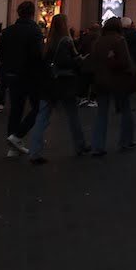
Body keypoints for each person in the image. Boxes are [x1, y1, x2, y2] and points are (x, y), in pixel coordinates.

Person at [28, 14, 90, 164]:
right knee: (72, 116)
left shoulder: (48, 42)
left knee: (42, 117)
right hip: (65, 83)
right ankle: (79, 145)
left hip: (49, 83)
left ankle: (34, 152)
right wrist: (81, 60)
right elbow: (69, 62)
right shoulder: (67, 41)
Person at [0, 1, 46, 157]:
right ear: (33, 13)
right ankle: (18, 136)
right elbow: (38, 55)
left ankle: (12, 147)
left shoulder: (7, 32)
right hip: (31, 76)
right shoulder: (35, 31)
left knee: (16, 110)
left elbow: (0, 55)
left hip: (12, 75)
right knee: (38, 108)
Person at [87, 17, 136, 156]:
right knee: (125, 109)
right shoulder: (119, 40)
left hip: (101, 80)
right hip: (119, 80)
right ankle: (126, 140)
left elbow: (93, 61)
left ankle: (98, 145)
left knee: (101, 113)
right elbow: (125, 62)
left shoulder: (98, 41)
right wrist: (112, 59)